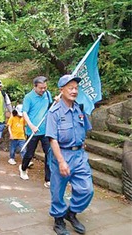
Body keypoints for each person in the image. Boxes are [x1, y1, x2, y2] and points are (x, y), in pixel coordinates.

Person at [45, 74, 93, 235]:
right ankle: (58, 220)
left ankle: (71, 213)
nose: (74, 91)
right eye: (70, 88)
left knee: (86, 189)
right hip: (61, 154)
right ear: (61, 90)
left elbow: (84, 129)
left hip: (79, 155)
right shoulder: (54, 112)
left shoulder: (79, 109)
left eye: (76, 88)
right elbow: (52, 139)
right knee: (58, 190)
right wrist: (61, 162)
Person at [18, 76, 52, 188]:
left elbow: (50, 107)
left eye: (45, 87)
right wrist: (31, 126)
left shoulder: (47, 94)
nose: (43, 90)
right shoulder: (28, 97)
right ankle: (23, 168)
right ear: (35, 86)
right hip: (32, 131)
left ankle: (48, 179)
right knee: (30, 154)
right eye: (41, 88)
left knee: (49, 154)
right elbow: (24, 113)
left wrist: (56, 102)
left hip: (46, 130)